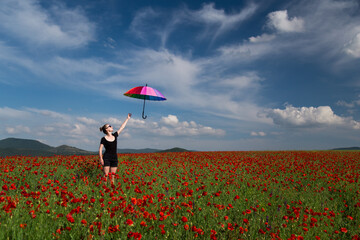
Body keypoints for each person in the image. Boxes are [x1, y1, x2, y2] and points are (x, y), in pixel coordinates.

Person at [99, 113, 132, 183]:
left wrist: (127, 119)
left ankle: (111, 189)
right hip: (106, 157)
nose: (111, 126)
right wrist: (101, 158)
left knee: (112, 176)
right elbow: (100, 149)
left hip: (114, 158)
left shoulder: (115, 135)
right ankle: (104, 189)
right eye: (110, 126)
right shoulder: (103, 139)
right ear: (107, 129)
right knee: (106, 175)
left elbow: (122, 128)